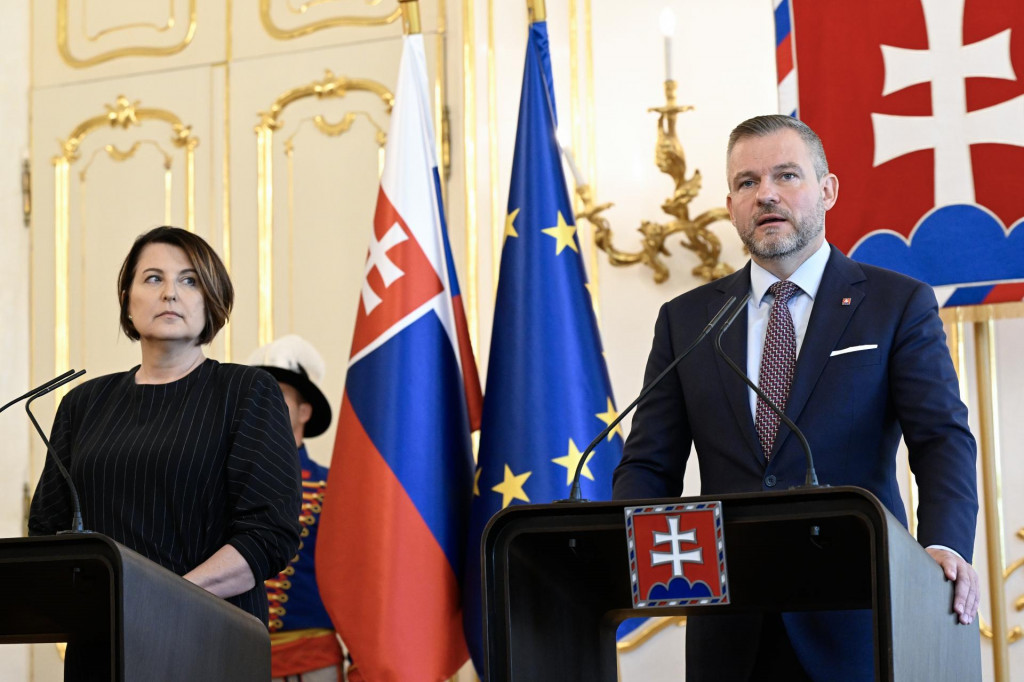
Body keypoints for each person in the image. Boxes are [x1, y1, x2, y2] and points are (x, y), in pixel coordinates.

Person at [612, 115, 980, 681]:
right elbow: (648, 463)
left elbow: (940, 440)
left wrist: (946, 546)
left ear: (827, 189)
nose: (766, 195)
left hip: (859, 615)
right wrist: (637, 550)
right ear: (731, 204)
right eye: (747, 183)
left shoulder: (895, 304)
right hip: (730, 629)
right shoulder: (687, 321)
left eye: (786, 176)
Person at [29, 226, 302, 676]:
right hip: (102, 647)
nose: (171, 293)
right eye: (153, 278)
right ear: (127, 297)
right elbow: (46, 530)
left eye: (190, 280)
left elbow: (269, 536)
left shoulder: (247, 391)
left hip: (208, 642)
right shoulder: (82, 403)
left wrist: (156, 603)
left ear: (211, 298)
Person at [248, 335, 346, 682]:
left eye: (279, 396)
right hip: (238, 654)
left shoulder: (332, 487)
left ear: (305, 411)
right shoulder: (227, 486)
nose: (266, 405)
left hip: (310, 659)